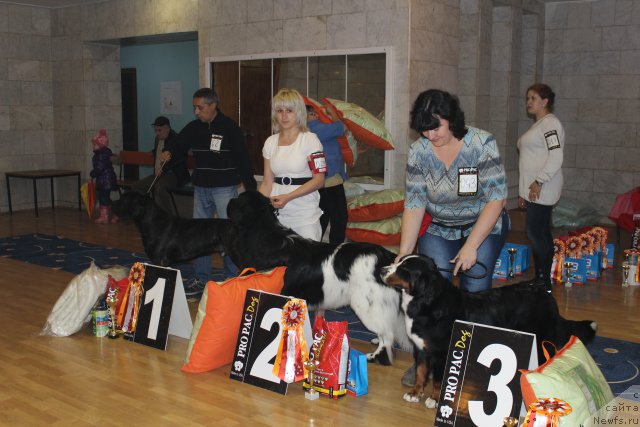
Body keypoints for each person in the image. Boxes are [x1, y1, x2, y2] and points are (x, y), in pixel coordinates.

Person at [397, 89, 509, 291]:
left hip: (481, 223)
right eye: (424, 130)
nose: (431, 135)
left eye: (436, 127)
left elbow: (497, 199)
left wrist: (471, 246)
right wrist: (404, 253)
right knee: (435, 290)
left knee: (475, 288)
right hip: (438, 227)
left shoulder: (482, 143)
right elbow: (415, 204)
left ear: (450, 118)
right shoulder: (418, 152)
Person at [178, 88, 257, 297]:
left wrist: (251, 188)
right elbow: (178, 143)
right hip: (201, 187)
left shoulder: (229, 127)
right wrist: (169, 151)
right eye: (195, 107)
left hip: (224, 188)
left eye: (200, 107)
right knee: (199, 235)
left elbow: (242, 158)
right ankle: (201, 277)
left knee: (229, 233)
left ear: (213, 105)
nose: (196, 112)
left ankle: (231, 278)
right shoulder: (194, 127)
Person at [259, 89, 325, 240]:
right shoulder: (270, 142)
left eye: (289, 110)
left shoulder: (310, 140)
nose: (283, 115)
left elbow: (319, 180)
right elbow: (267, 183)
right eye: (279, 110)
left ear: (299, 112)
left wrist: (288, 197)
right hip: (277, 217)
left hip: (305, 215)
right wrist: (259, 208)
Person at [517, 83, 564, 291]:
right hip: (535, 188)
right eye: (528, 98)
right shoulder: (540, 124)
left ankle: (543, 280)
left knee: (536, 232)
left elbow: (556, 156)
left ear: (545, 101)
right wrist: (523, 192)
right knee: (540, 232)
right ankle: (542, 278)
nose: (529, 102)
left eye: (533, 98)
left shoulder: (550, 124)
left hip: (543, 186)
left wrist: (539, 181)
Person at [306, 104, 348, 244]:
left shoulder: (310, 130)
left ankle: (317, 247)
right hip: (329, 179)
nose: (315, 115)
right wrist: (333, 113)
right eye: (311, 113)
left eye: (314, 112)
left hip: (323, 179)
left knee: (324, 214)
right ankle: (335, 249)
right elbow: (342, 127)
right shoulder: (315, 127)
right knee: (339, 217)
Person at [131, 116, 190, 214]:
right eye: (155, 130)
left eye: (159, 130)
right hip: (159, 173)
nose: (157, 133)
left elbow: (180, 159)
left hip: (174, 174)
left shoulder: (176, 140)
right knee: (137, 186)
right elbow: (159, 151)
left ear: (167, 128)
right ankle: (144, 212)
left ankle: (167, 216)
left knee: (159, 188)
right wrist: (153, 153)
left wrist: (164, 169)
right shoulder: (158, 139)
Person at [90, 128, 118, 224]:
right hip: (103, 180)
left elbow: (100, 167)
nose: (93, 146)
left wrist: (94, 172)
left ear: (100, 145)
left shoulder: (103, 154)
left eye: (94, 144)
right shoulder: (100, 153)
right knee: (103, 198)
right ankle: (104, 216)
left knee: (105, 198)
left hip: (106, 180)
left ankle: (117, 212)